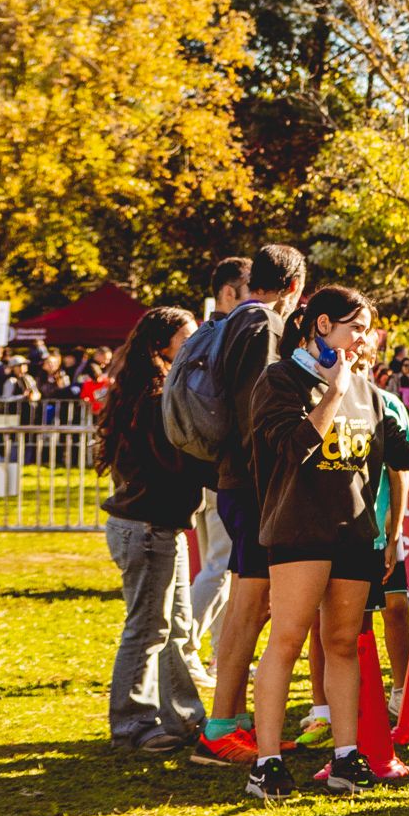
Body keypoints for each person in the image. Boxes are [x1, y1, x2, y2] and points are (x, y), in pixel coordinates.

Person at [242, 286, 409, 799]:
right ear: (321, 326)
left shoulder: (368, 390)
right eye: (355, 327)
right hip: (299, 532)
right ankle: (266, 763)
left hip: (355, 533)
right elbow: (294, 447)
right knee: (288, 640)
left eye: (367, 329)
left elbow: (401, 452)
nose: (365, 338)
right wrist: (334, 391)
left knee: (343, 643)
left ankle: (346, 756)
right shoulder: (280, 380)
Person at [198, 244, 306, 767]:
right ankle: (221, 725)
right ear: (295, 288)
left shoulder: (236, 320)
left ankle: (235, 718)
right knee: (249, 601)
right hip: (253, 482)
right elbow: (260, 410)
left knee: (254, 600)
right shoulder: (263, 325)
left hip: (237, 479)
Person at [98, 307, 211, 754]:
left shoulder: (156, 391)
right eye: (187, 338)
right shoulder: (154, 397)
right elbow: (176, 462)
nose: (196, 345)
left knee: (178, 626)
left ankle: (182, 714)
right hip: (146, 527)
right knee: (147, 629)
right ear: (161, 347)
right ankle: (133, 723)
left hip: (161, 527)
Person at [185, 256, 252, 672]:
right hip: (221, 474)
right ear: (229, 292)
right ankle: (183, 647)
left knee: (221, 569)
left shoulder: (206, 335)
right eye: (250, 287)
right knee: (220, 567)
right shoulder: (226, 334)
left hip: (210, 472)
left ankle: (217, 657)